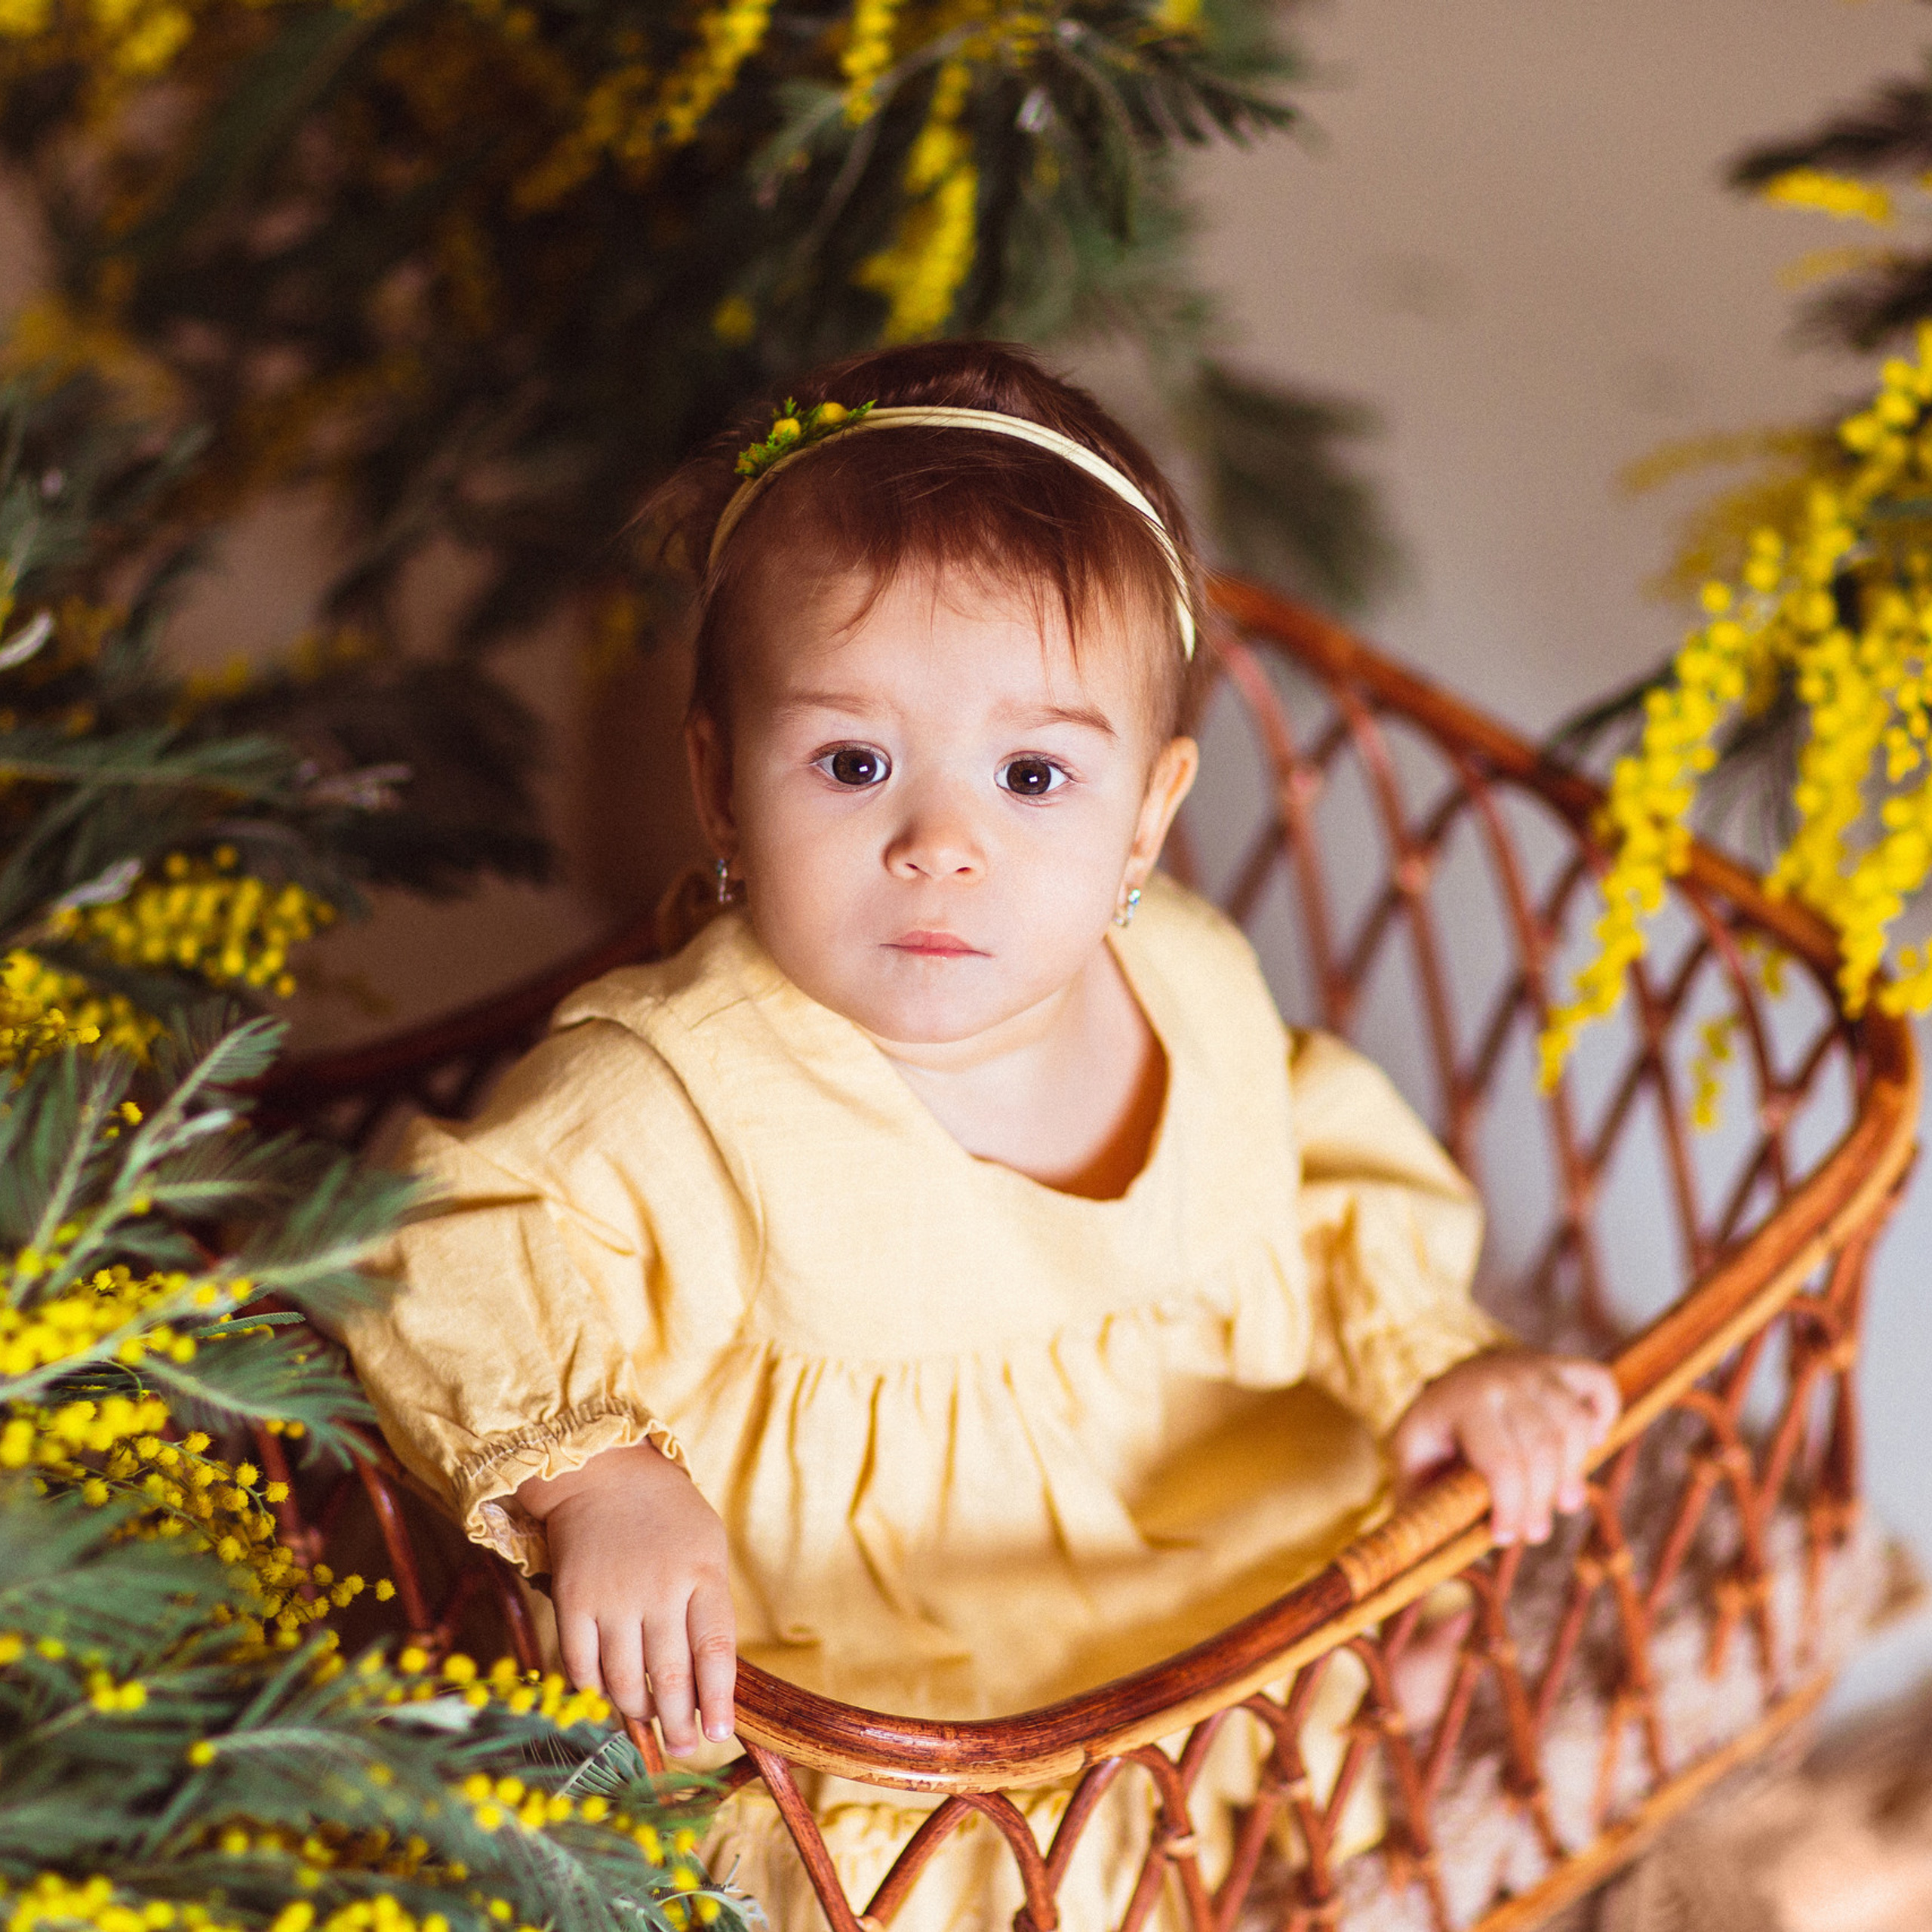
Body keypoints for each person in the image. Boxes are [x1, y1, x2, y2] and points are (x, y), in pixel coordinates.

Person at [344, 340, 1620, 1930]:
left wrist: (1437, 1355)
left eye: (1030, 772)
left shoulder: (1190, 979)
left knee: (1380, 1638)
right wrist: (595, 1479)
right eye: (853, 763)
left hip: (1214, 1591)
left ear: (1146, 818)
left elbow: (1318, 1182)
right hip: (888, 1694)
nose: (940, 842)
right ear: (719, 787)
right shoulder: (684, 1085)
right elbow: (445, 1236)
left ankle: (1282, 1762)